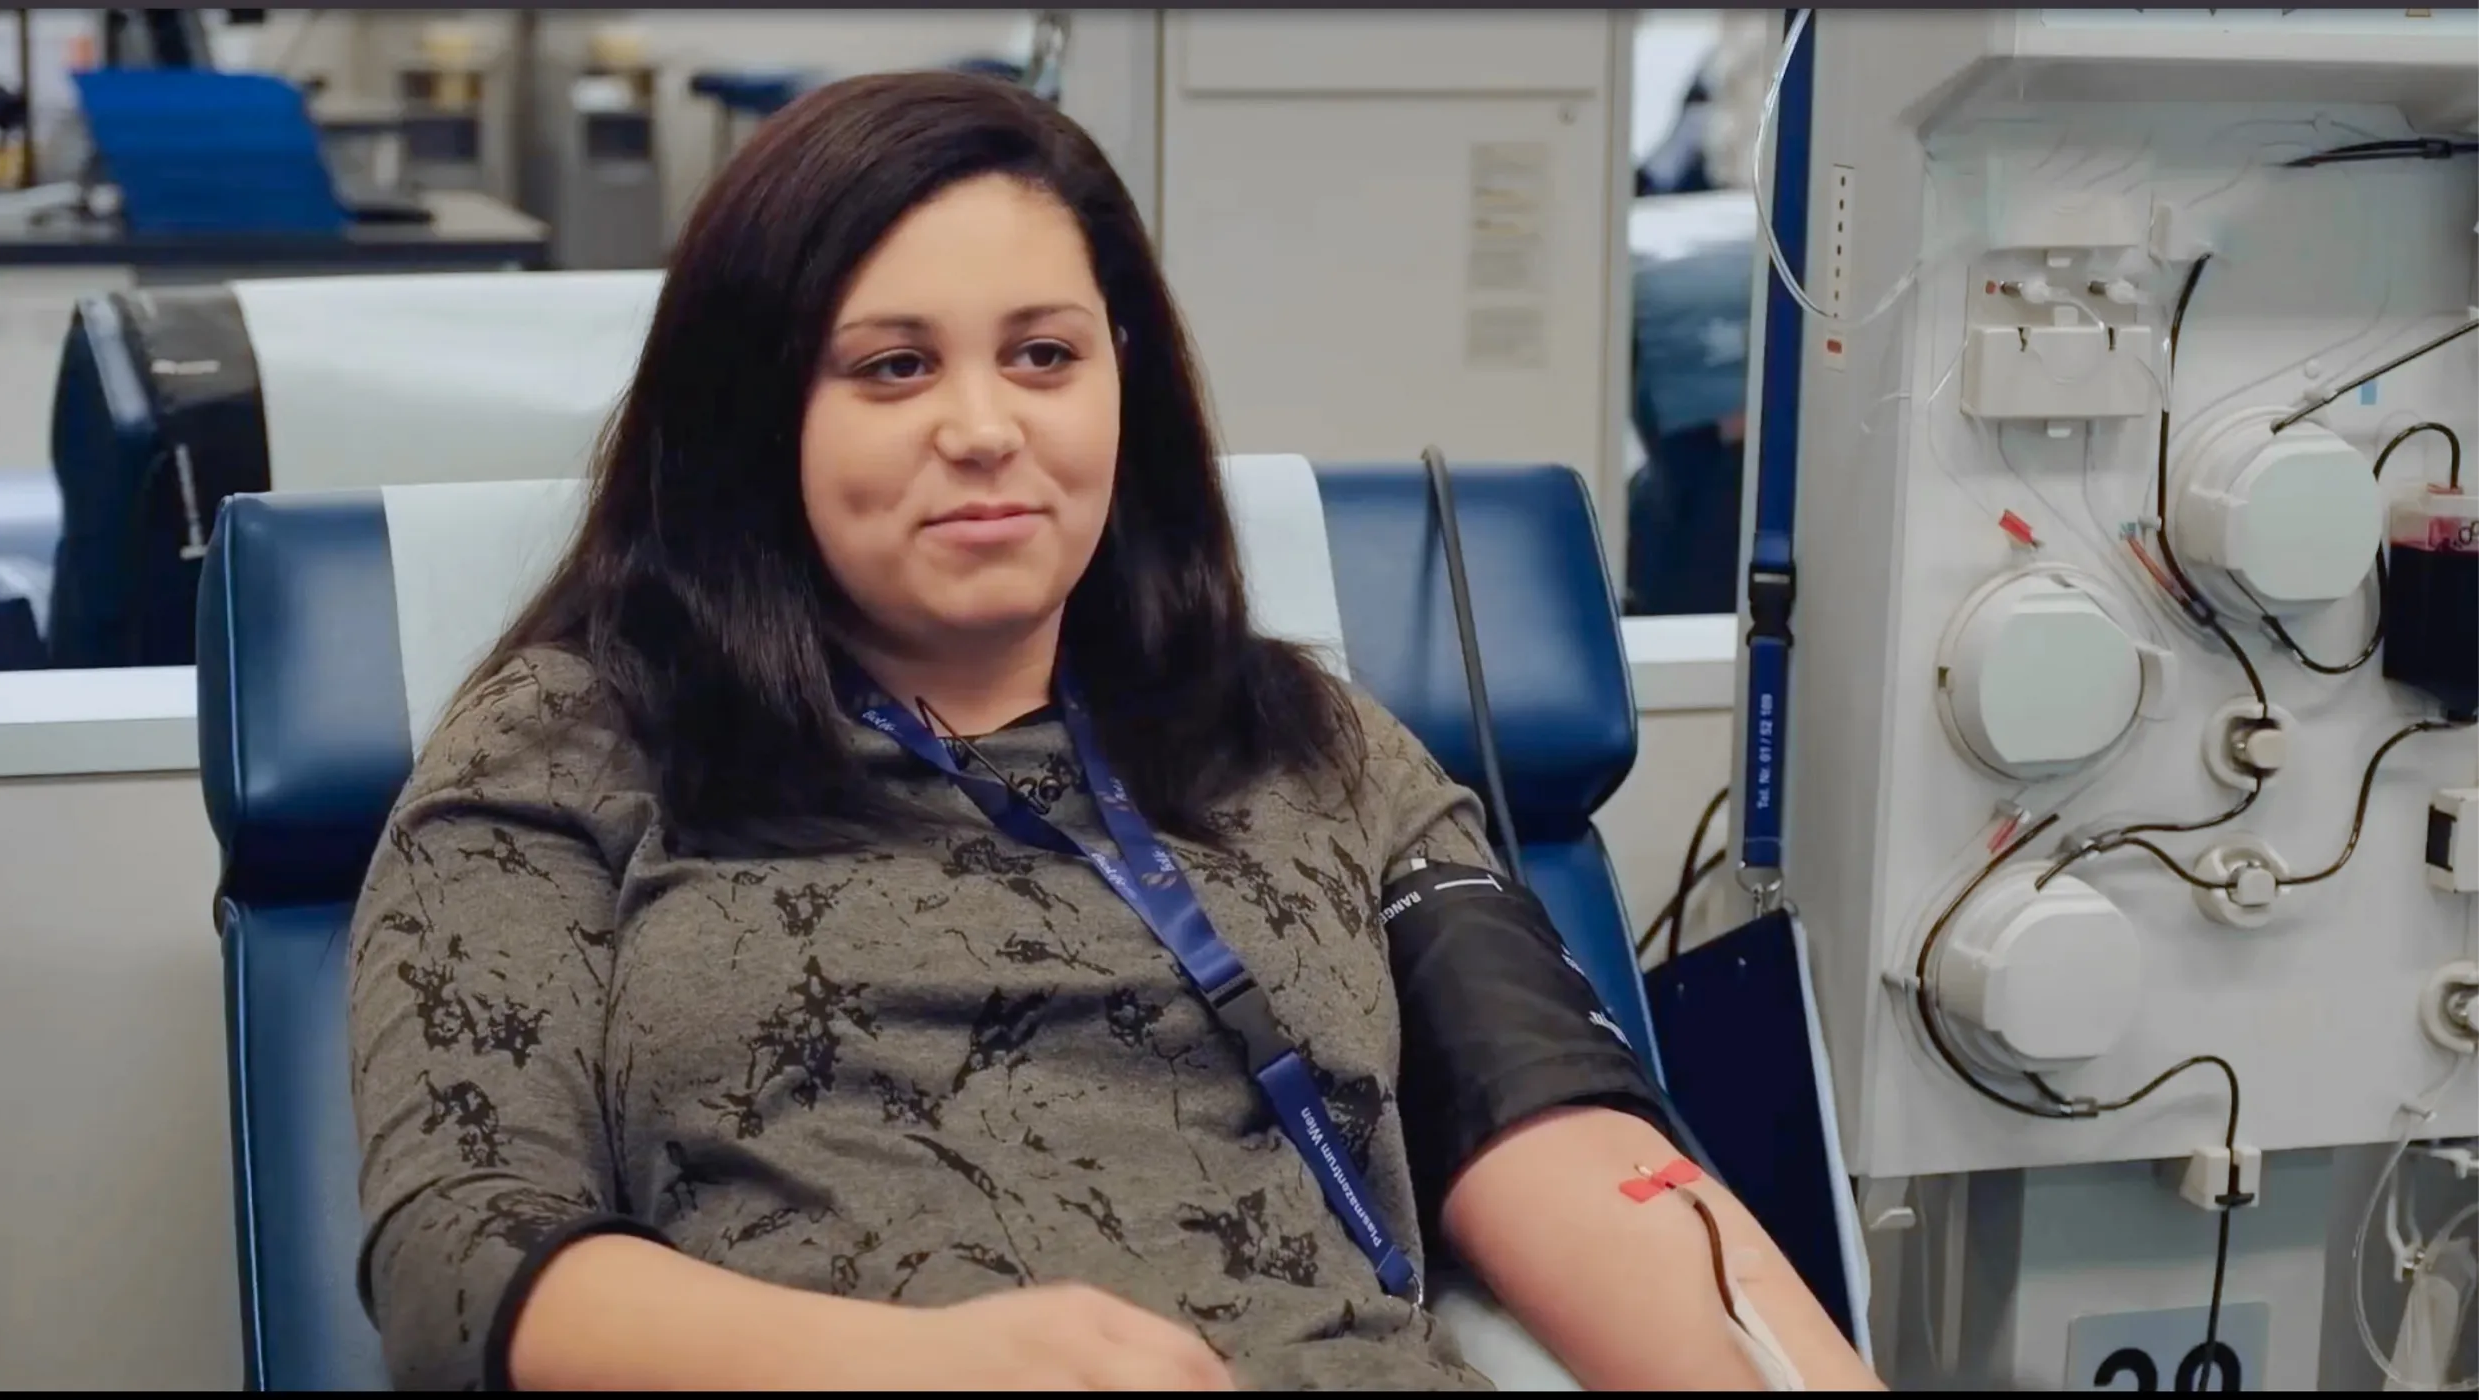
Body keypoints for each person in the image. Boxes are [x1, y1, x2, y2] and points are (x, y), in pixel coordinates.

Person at [348, 70, 1882, 1393]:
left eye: (1043, 355)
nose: (984, 425)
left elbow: (1559, 1138)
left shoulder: (1302, 742)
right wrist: (933, 1364)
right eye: (893, 366)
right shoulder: (573, 745)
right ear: (759, 415)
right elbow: (464, 1258)